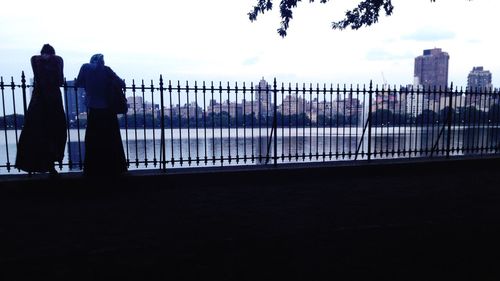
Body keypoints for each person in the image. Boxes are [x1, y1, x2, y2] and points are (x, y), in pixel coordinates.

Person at [15, 44, 67, 177]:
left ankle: (32, 164)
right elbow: (60, 80)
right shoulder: (58, 60)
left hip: (38, 101)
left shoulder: (35, 60)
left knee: (34, 131)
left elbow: (37, 61)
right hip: (54, 100)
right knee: (55, 132)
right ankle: (51, 165)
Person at [76, 54, 127, 177]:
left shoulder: (85, 68)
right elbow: (121, 83)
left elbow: (78, 83)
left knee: (93, 140)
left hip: (94, 109)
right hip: (108, 109)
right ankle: (114, 168)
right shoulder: (107, 70)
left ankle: (93, 169)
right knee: (111, 140)